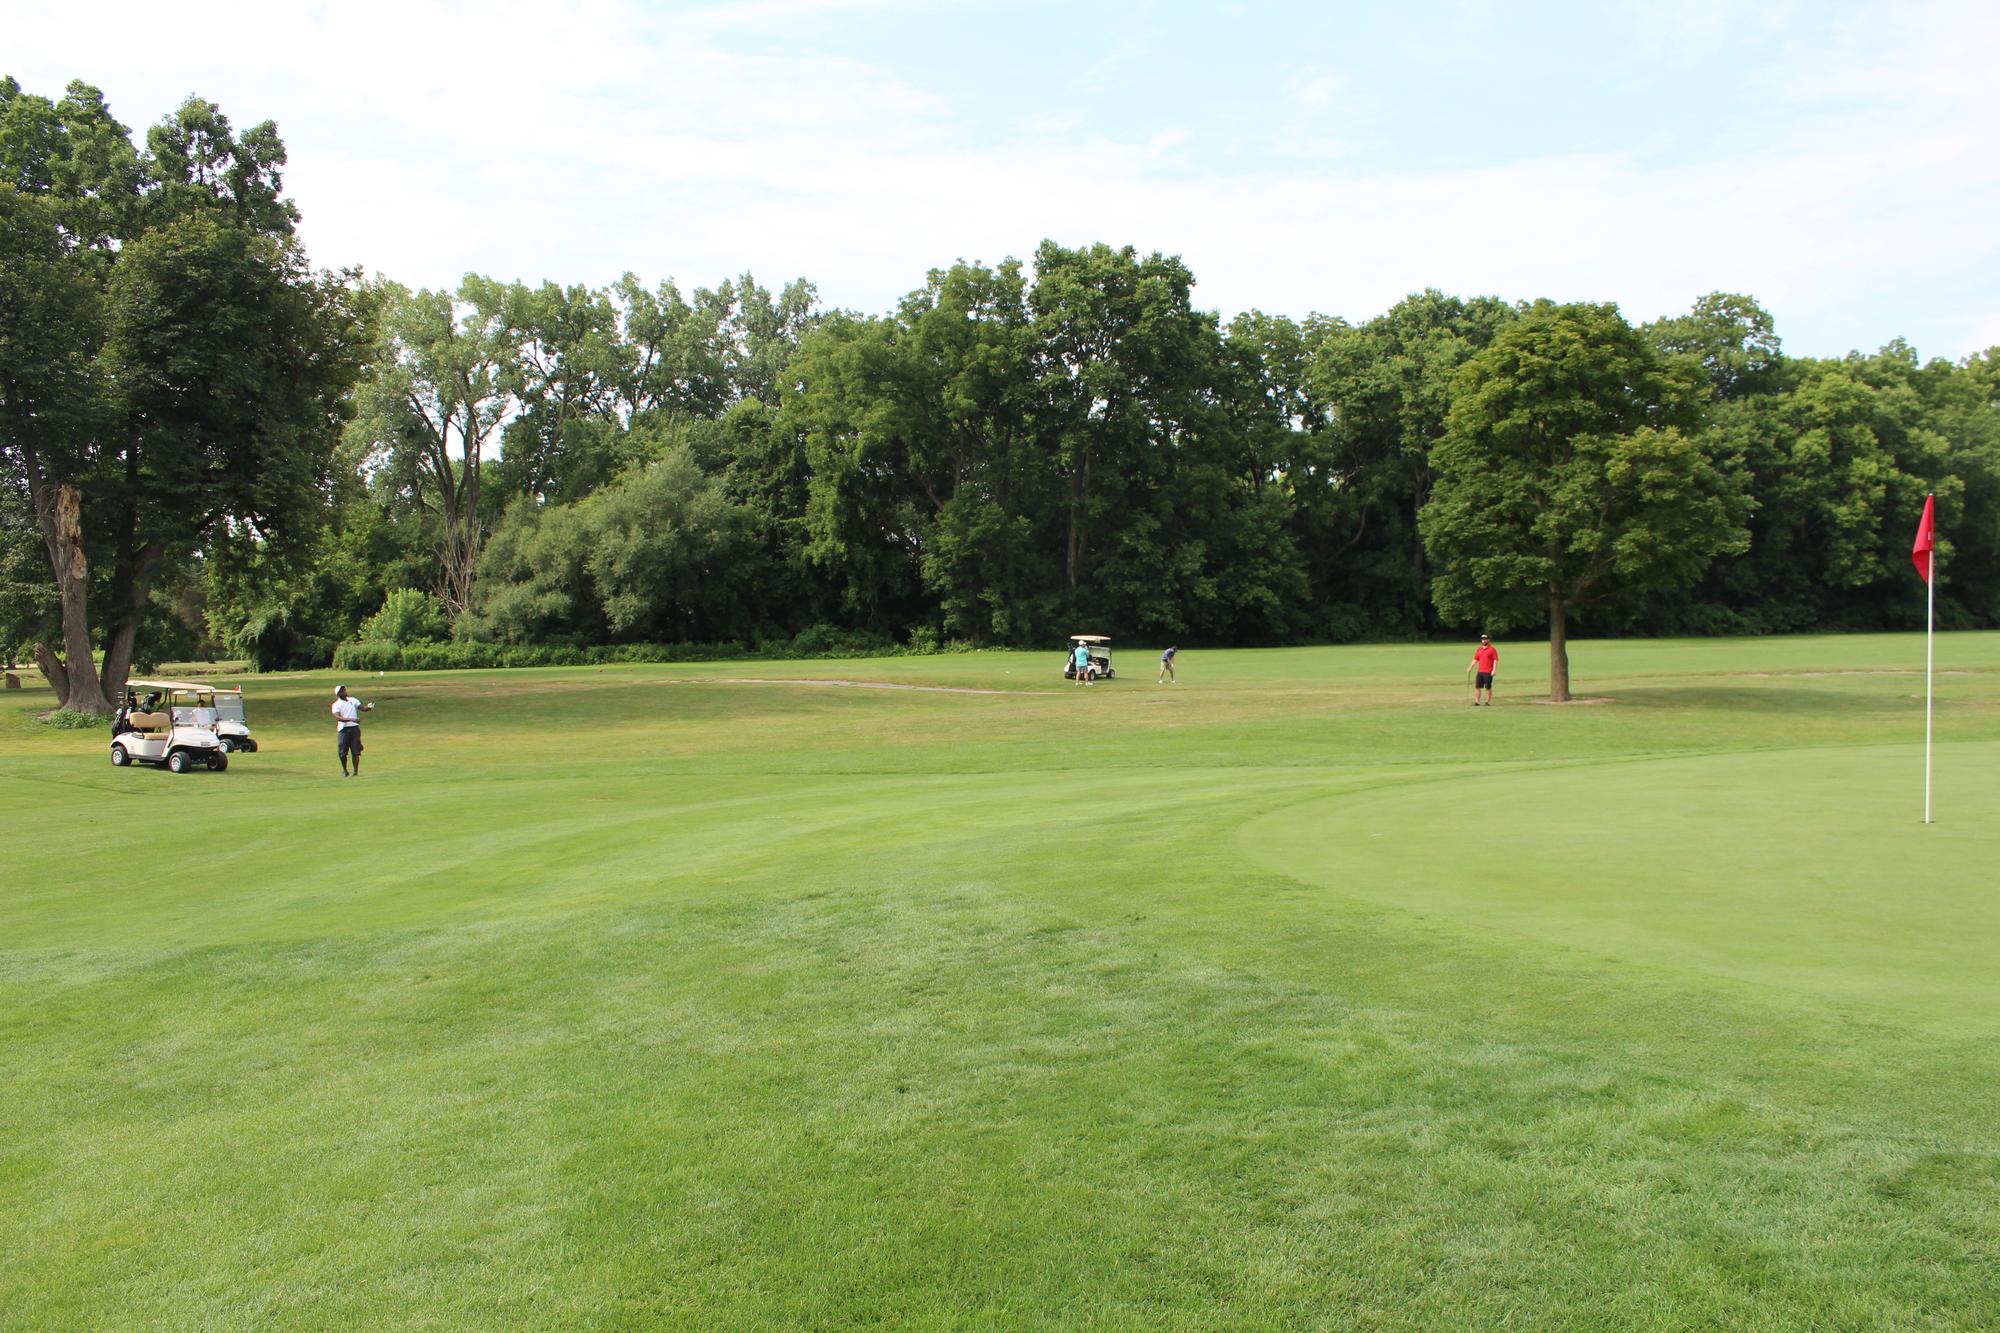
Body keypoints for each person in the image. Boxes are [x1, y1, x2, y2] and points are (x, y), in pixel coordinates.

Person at [331, 684, 374, 776]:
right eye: (342, 691)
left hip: (354, 729)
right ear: (338, 694)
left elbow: (363, 708)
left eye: (345, 690)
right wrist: (352, 719)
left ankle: (355, 772)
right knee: (342, 752)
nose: (345, 691)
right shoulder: (336, 705)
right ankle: (345, 770)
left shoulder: (353, 700)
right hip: (343, 730)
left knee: (356, 752)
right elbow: (338, 717)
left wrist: (369, 707)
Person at [1469, 633, 1498, 706]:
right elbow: (1476, 659)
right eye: (1482, 639)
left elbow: (1495, 660)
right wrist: (1470, 667)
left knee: (1488, 687)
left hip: (1488, 671)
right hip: (1480, 671)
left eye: (1485, 639)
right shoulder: (1479, 649)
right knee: (1477, 687)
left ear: (1488, 640)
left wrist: (1494, 670)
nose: (1483, 640)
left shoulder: (1492, 649)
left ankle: (1487, 702)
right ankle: (1477, 701)